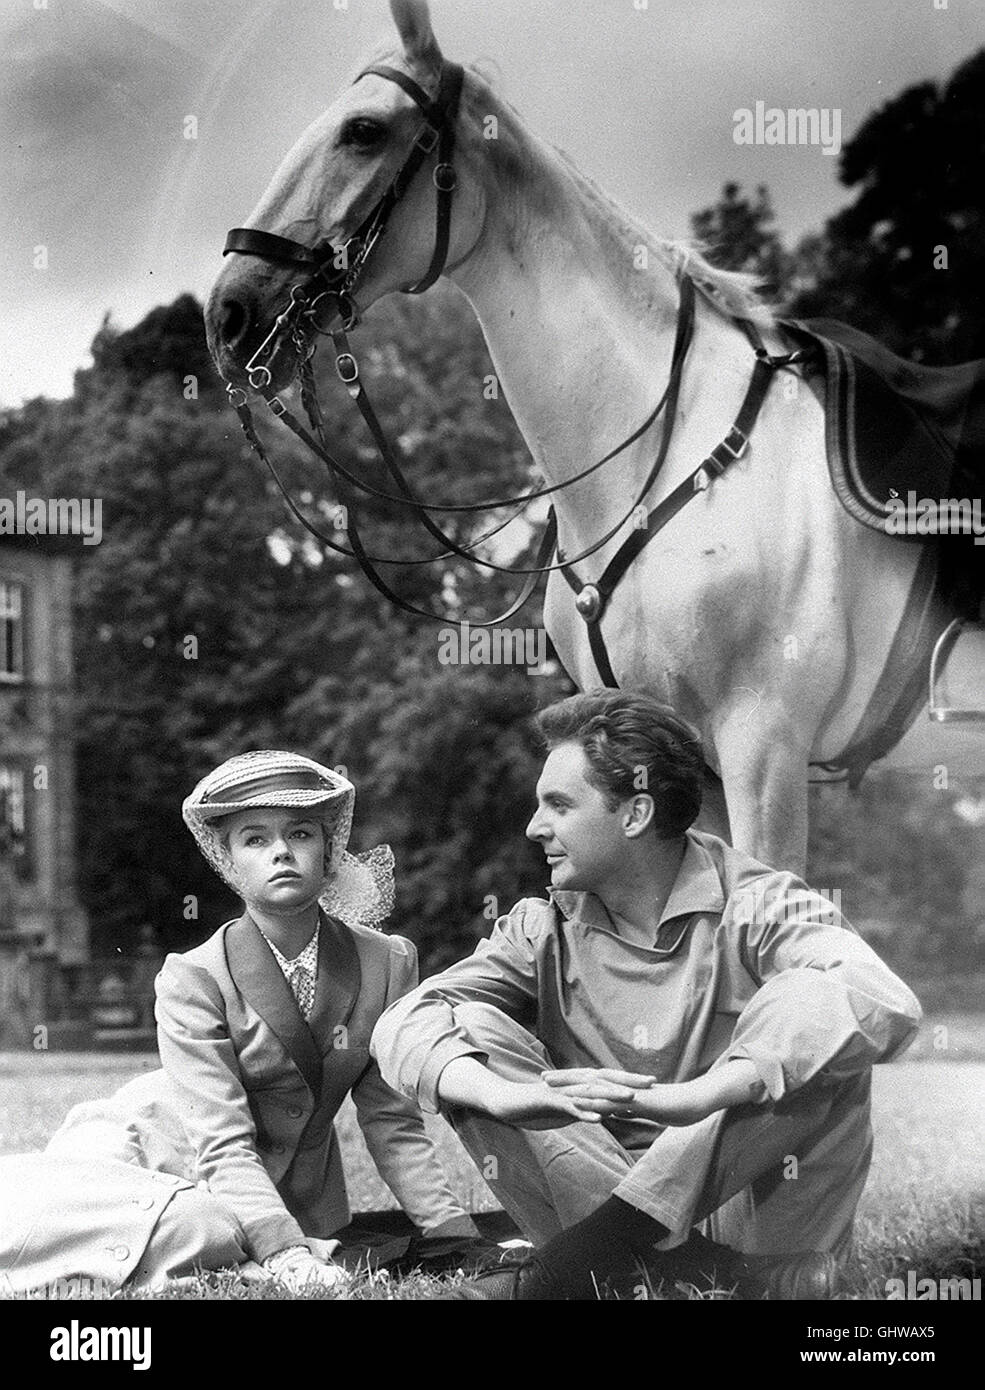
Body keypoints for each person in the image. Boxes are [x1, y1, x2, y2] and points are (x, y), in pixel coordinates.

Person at [370, 690, 923, 1300]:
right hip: (610, 1210)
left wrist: (697, 1097)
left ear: (635, 815)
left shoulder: (761, 903)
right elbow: (401, 1023)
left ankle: (585, 1264)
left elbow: (883, 997)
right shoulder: (539, 927)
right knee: (467, 1024)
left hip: (756, 1216)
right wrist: (506, 1097)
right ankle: (692, 1272)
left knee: (822, 1009)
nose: (534, 828)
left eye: (557, 805)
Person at [0, 751, 477, 1294]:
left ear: (328, 850)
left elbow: (392, 1122)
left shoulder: (387, 962)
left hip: (297, 1194)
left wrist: (454, 1234)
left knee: (209, 1238)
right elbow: (221, 1144)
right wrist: (285, 1251)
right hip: (155, 1149)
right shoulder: (192, 978)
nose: (280, 852)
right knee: (127, 1235)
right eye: (254, 839)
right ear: (227, 862)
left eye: (299, 833)